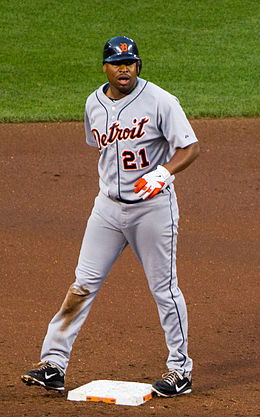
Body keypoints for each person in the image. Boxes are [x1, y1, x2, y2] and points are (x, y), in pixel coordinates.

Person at [21, 35, 200, 397]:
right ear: (105, 66)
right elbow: (100, 147)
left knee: (164, 290)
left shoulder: (160, 101)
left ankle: (180, 370)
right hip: (107, 208)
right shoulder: (93, 103)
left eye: (130, 63)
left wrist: (164, 171)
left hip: (152, 209)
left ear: (138, 65)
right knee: (81, 285)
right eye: (117, 63)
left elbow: (190, 146)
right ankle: (54, 364)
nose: (124, 69)